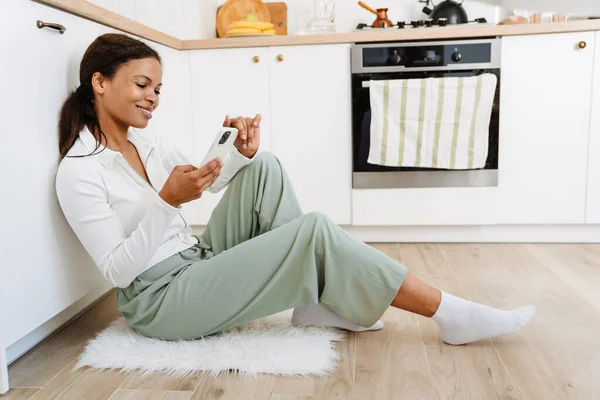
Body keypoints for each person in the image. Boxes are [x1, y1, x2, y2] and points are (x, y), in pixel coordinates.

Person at [55, 33, 535, 345]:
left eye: (158, 90)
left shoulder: (147, 141)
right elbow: (118, 273)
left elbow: (201, 183)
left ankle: (315, 300)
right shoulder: (79, 171)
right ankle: (448, 312)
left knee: (264, 165)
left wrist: (237, 153)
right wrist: (165, 203)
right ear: (99, 81)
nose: (152, 98)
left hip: (194, 258)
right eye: (142, 85)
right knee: (313, 231)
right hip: (158, 299)